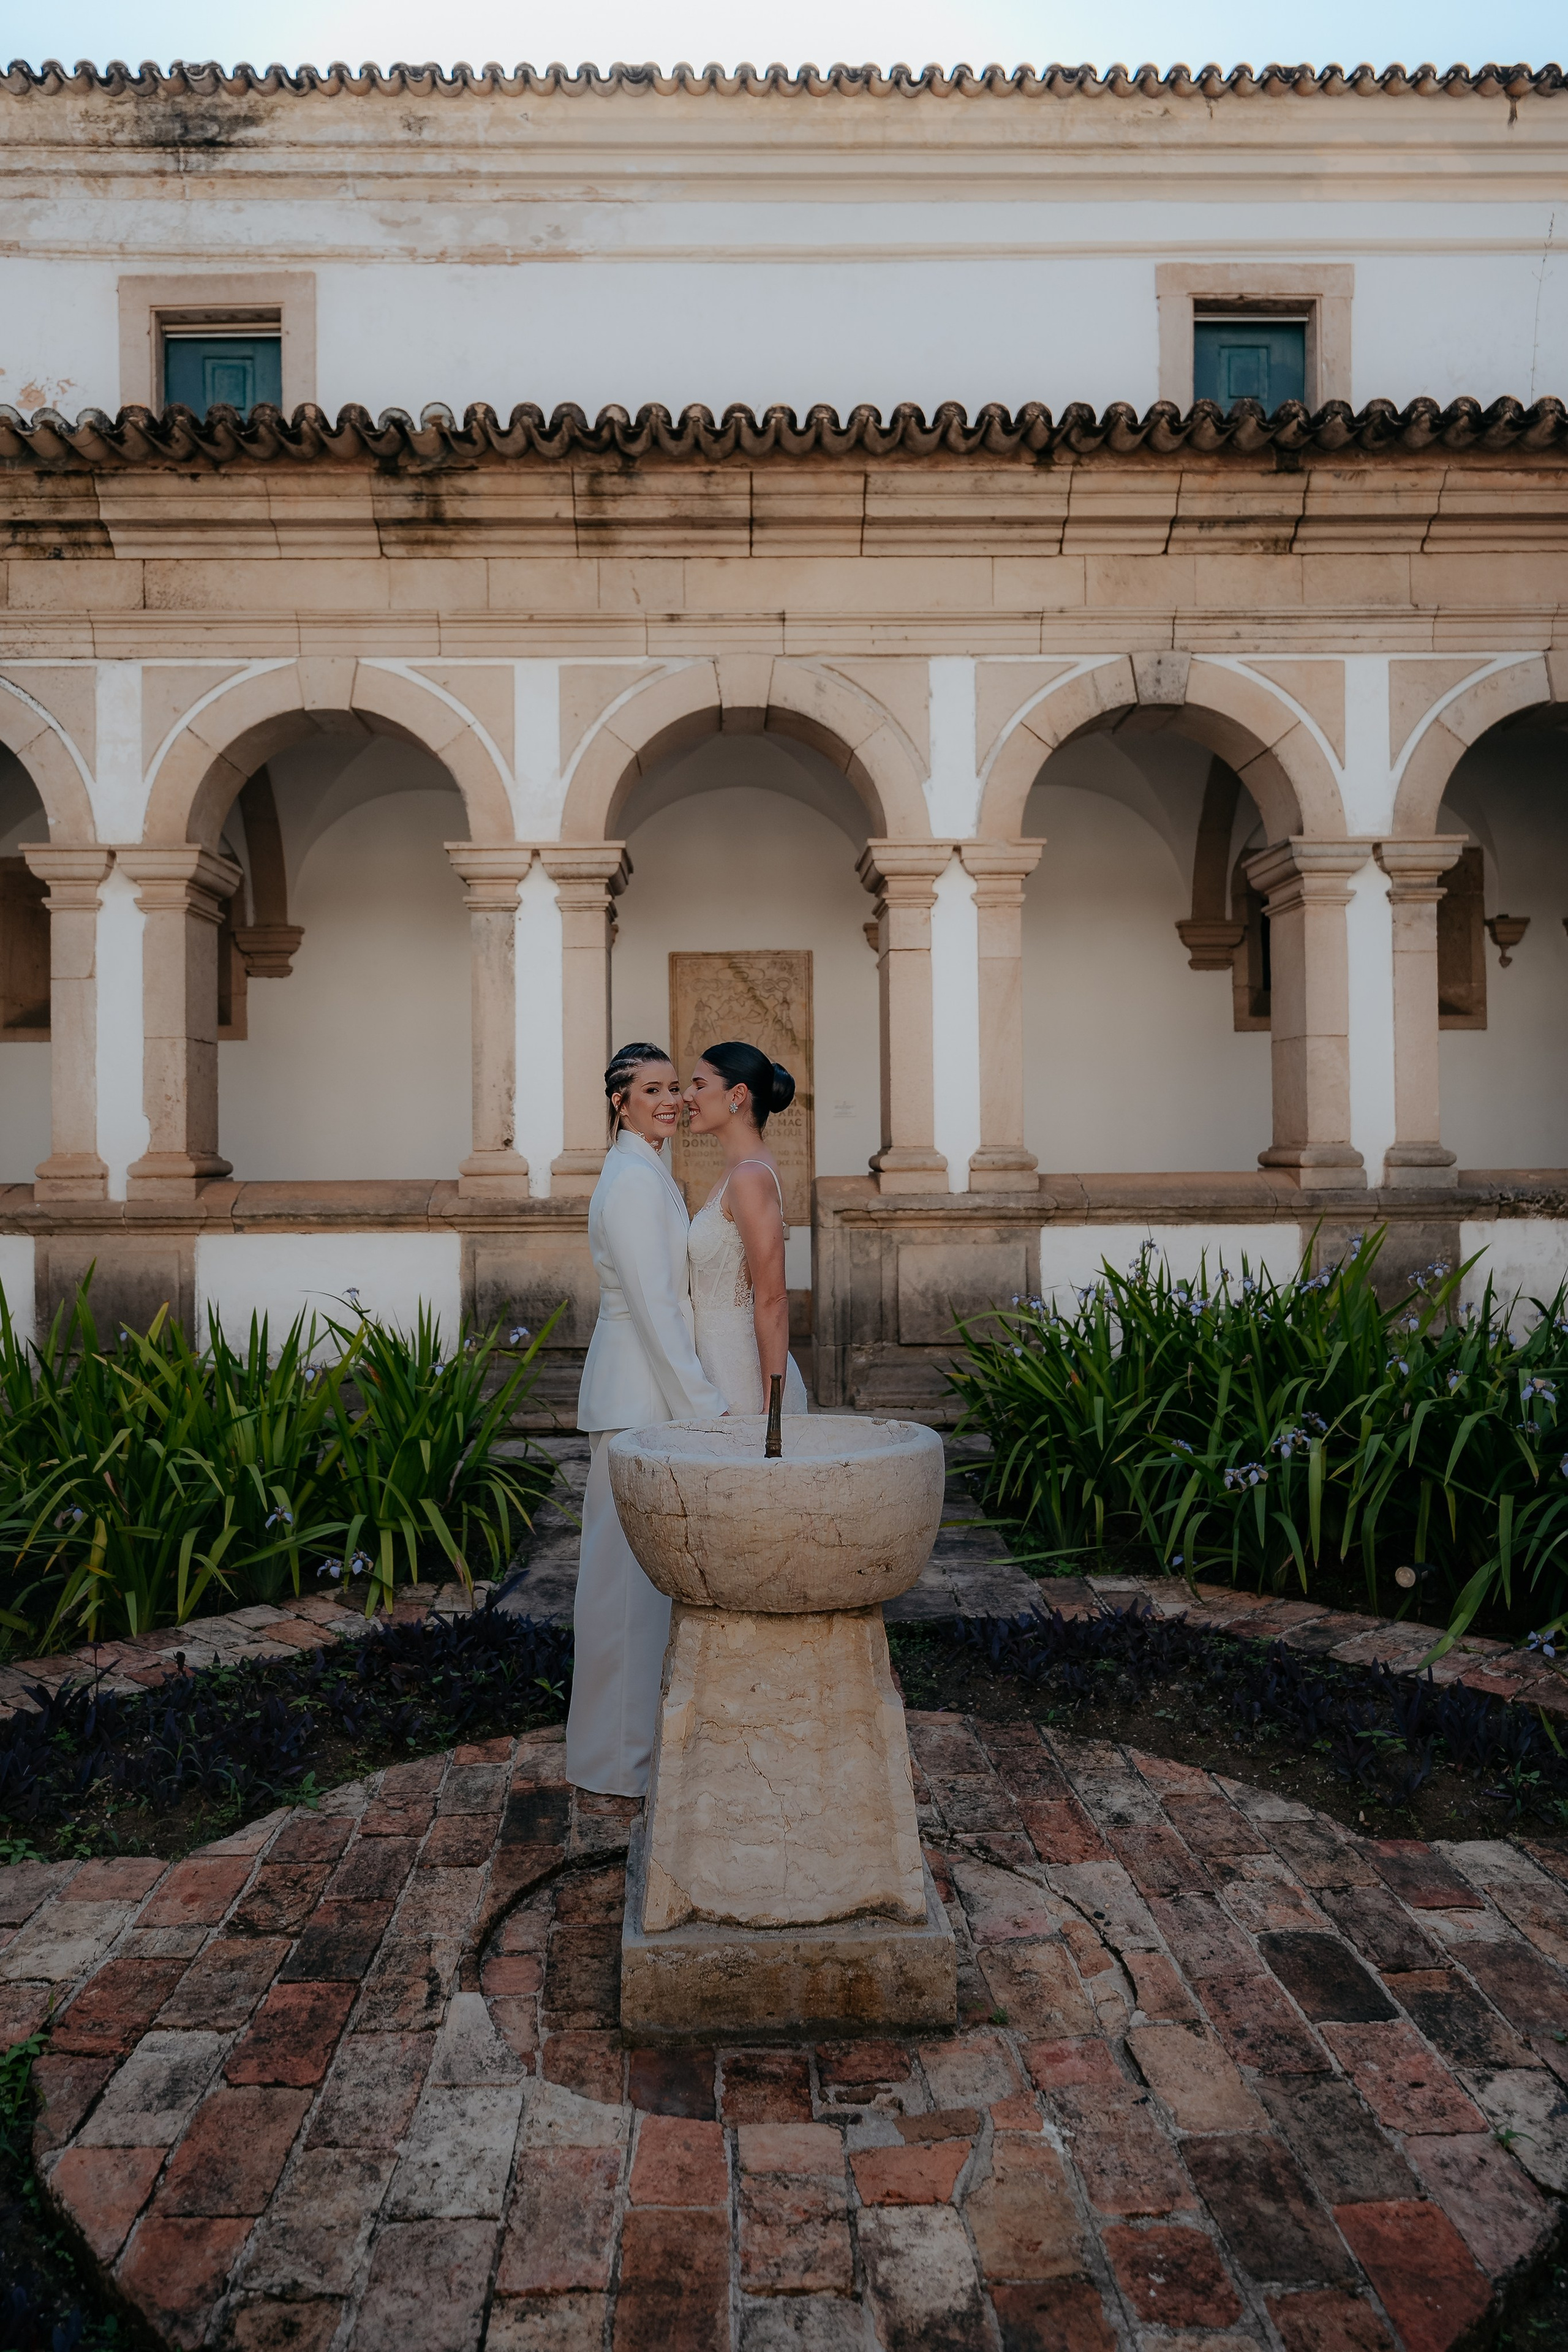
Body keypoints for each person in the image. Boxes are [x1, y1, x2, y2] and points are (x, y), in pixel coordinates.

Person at [566, 1042, 728, 1798]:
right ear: (618, 1101)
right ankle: (618, 1764)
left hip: (643, 1394)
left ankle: (631, 1752)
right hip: (636, 1396)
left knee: (640, 1587)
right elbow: (659, 1312)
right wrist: (706, 1409)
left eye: (674, 1087)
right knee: (624, 1592)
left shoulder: (648, 1170)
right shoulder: (631, 1182)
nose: (669, 1099)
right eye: (652, 1089)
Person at [682, 1041, 810, 1418]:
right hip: (715, 1359)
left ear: (737, 1094)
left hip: (739, 1376)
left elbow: (773, 1298)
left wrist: (772, 1409)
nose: (688, 1095)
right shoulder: (737, 1170)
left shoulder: (750, 1176)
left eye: (700, 1085)